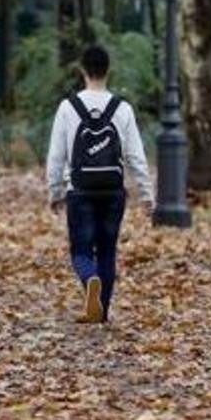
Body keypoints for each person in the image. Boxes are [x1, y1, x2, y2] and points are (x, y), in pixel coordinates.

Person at [47, 45, 155, 324]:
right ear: (109, 70)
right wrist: (146, 194)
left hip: (80, 191)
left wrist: (55, 191)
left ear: (82, 70)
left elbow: (56, 155)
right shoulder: (122, 108)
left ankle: (89, 278)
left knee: (81, 251)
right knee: (107, 250)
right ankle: (102, 311)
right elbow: (135, 156)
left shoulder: (68, 108)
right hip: (113, 191)